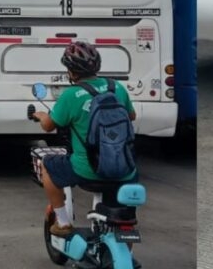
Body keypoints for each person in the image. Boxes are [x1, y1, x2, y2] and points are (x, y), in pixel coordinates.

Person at [32, 41, 137, 238]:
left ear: (71, 71)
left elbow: (48, 126)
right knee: (125, 220)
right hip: (125, 170)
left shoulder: (71, 95)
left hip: (87, 170)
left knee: (47, 165)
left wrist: (40, 115)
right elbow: (131, 116)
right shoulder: (117, 88)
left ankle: (63, 223)